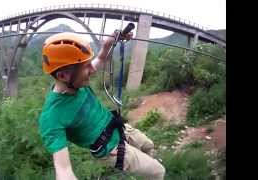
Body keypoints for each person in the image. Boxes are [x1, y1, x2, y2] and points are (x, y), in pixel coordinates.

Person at [38, 31, 165, 180]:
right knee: (158, 172)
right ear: (62, 76)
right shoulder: (51, 117)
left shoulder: (76, 81)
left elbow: (100, 59)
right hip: (111, 149)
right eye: (86, 67)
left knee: (148, 146)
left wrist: (107, 44)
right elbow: (64, 170)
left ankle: (148, 164)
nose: (92, 70)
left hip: (119, 128)